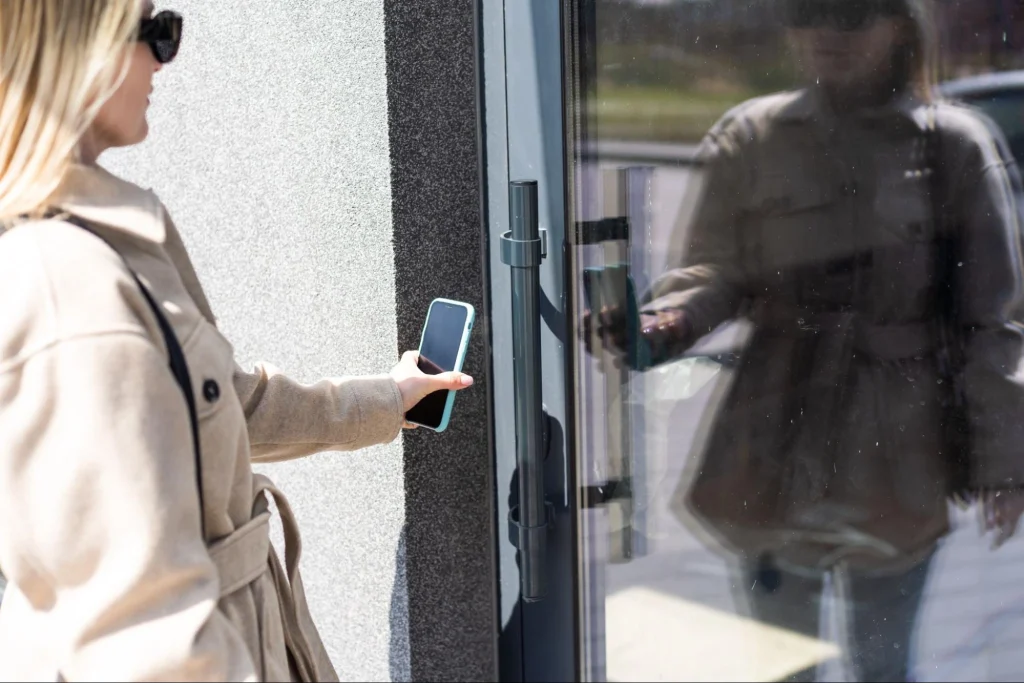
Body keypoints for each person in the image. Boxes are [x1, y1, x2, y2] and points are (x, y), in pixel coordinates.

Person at [0, 1, 473, 680]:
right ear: (79, 48)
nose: (169, 56)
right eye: (155, 33)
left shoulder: (106, 236)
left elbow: (227, 409)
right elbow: (143, 636)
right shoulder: (67, 284)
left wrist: (391, 397)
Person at [589, 0, 1024, 680]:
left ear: (899, 27)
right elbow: (717, 274)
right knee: (780, 667)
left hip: (899, 456)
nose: (828, 35)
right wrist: (663, 323)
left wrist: (1004, 461)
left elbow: (992, 323)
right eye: (810, 15)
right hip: (772, 446)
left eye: (853, 17)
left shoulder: (953, 145)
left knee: (883, 666)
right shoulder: (754, 135)